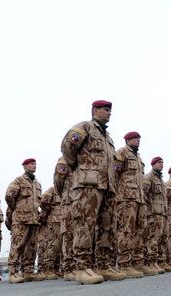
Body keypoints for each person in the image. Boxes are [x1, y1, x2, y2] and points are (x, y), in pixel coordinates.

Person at [61, 100, 124, 284]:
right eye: (106, 110)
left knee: (107, 226)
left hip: (107, 187)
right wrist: (79, 169)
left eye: (110, 110)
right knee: (85, 225)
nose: (109, 113)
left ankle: (104, 265)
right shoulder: (85, 127)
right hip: (88, 185)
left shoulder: (108, 138)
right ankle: (82, 268)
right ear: (95, 110)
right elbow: (68, 146)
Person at [5, 159, 45, 283]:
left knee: (32, 247)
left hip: (34, 219)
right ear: (24, 166)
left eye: (35, 164)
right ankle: (13, 272)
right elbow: (9, 196)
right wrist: (17, 209)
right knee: (17, 245)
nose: (34, 166)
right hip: (21, 219)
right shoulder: (18, 181)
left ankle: (28, 272)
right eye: (31, 164)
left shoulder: (37, 184)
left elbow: (38, 202)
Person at [115, 132, 147, 278]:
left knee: (140, 231)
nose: (138, 141)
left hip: (139, 199)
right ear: (128, 140)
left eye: (139, 139)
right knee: (126, 230)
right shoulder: (122, 152)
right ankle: (124, 264)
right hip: (126, 197)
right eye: (135, 139)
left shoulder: (138, 157)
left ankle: (137, 263)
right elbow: (114, 174)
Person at [143, 157, 171, 273]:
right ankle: (151, 262)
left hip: (163, 213)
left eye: (162, 162)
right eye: (159, 162)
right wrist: (150, 210)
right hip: (154, 213)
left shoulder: (161, 180)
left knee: (163, 238)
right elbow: (144, 194)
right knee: (153, 238)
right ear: (153, 164)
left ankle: (161, 262)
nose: (161, 164)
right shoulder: (149, 177)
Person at [53, 157, 77, 281]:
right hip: (69, 203)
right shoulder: (64, 161)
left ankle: (79, 267)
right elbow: (58, 184)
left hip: (82, 203)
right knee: (69, 235)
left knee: (82, 234)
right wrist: (66, 196)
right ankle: (69, 268)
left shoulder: (83, 158)